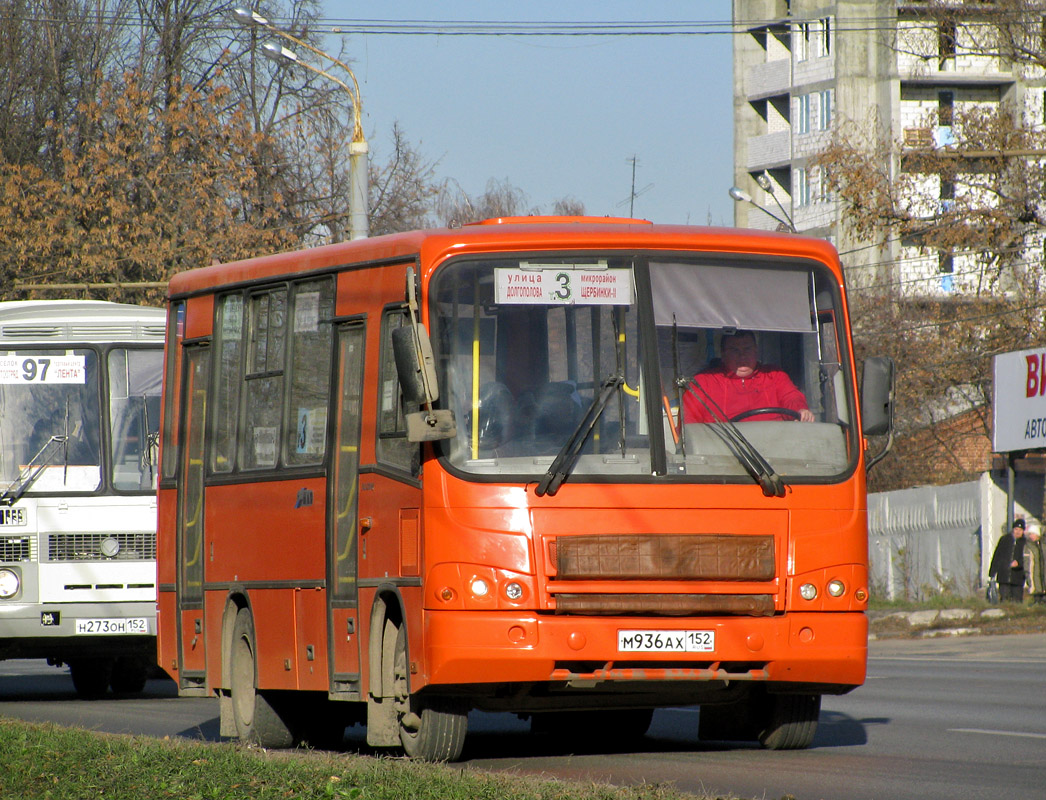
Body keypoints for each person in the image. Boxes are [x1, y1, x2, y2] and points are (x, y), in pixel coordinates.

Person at [682, 330, 814, 424]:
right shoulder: (703, 382)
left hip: (775, 452)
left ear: (756, 351)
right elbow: (689, 427)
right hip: (724, 454)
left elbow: (791, 397)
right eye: (735, 350)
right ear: (723, 354)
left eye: (747, 349)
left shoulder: (775, 375)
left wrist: (800, 410)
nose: (742, 356)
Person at [988, 518, 1027, 603]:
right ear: (1013, 529)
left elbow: (1027, 559)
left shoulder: (1025, 543)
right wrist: (992, 572)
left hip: (1018, 577)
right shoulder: (1005, 539)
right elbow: (997, 556)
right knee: (1004, 600)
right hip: (1004, 576)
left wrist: (1019, 563)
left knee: (1017, 601)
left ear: (1023, 531)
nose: (1018, 532)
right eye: (1016, 529)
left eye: (1020, 530)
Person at [1025, 524, 1045, 605]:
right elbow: (1028, 564)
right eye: (1030, 534)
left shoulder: (1043, 545)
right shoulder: (1029, 546)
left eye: (1033, 534)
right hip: (1035, 575)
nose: (1031, 536)